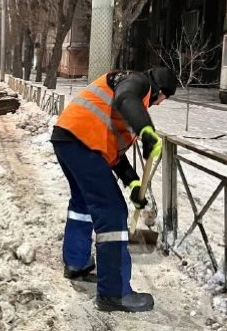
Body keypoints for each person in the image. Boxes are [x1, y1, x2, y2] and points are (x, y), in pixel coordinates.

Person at [51, 67, 177, 313]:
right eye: (164, 98)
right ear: (160, 91)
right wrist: (146, 132)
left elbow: (116, 157)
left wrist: (133, 183)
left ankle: (76, 263)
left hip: (69, 138)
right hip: (82, 141)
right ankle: (114, 292)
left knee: (83, 204)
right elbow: (125, 97)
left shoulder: (125, 110)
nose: (160, 104)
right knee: (112, 212)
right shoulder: (137, 81)